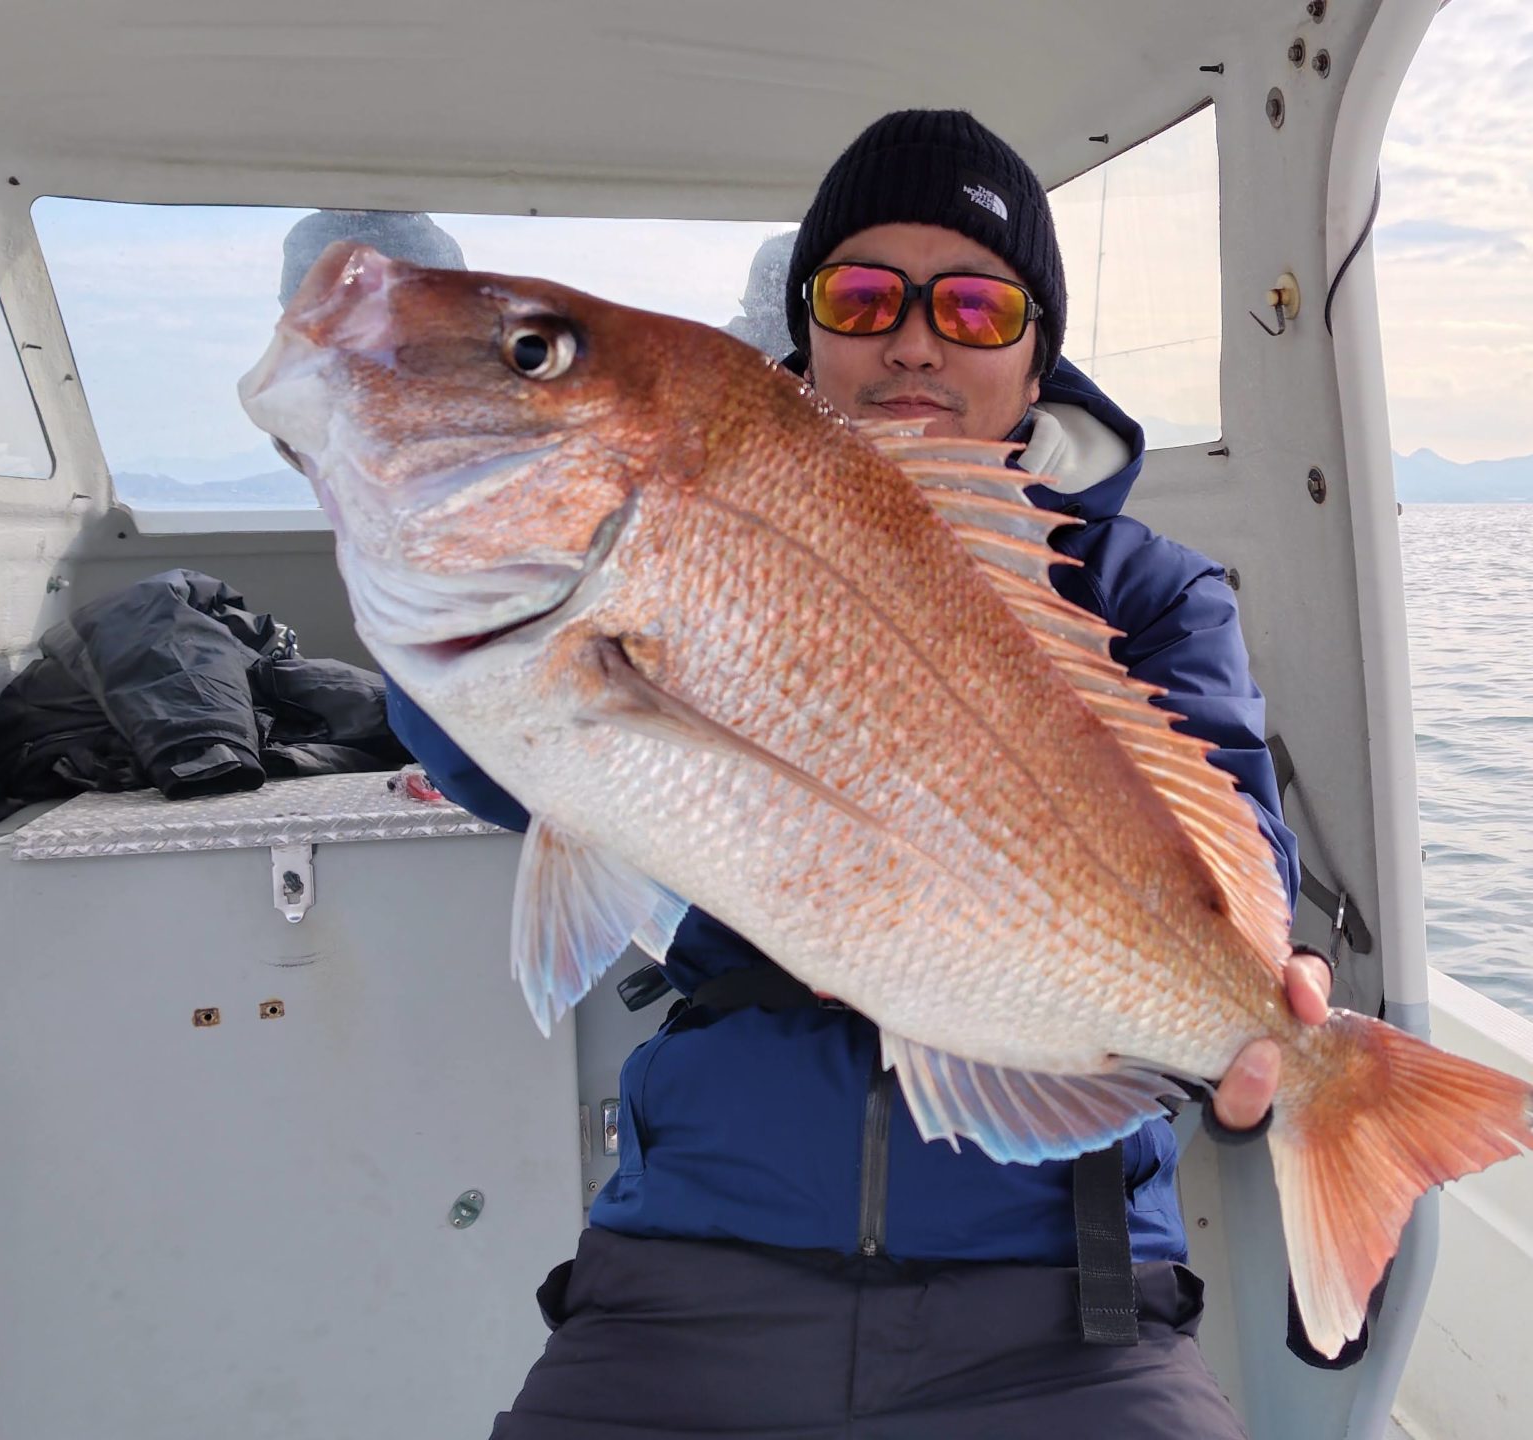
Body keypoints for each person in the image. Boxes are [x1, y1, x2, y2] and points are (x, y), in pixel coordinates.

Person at [380, 111, 1337, 1439]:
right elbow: (490, 763)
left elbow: (1235, 870)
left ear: (1038, 349)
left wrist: (1271, 1008)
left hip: (1065, 1309)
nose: (917, 337)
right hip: (690, 1277)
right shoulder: (690, 526)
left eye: (976, 305)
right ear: (811, 328)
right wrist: (431, 540)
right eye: (867, 294)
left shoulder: (1145, 592)